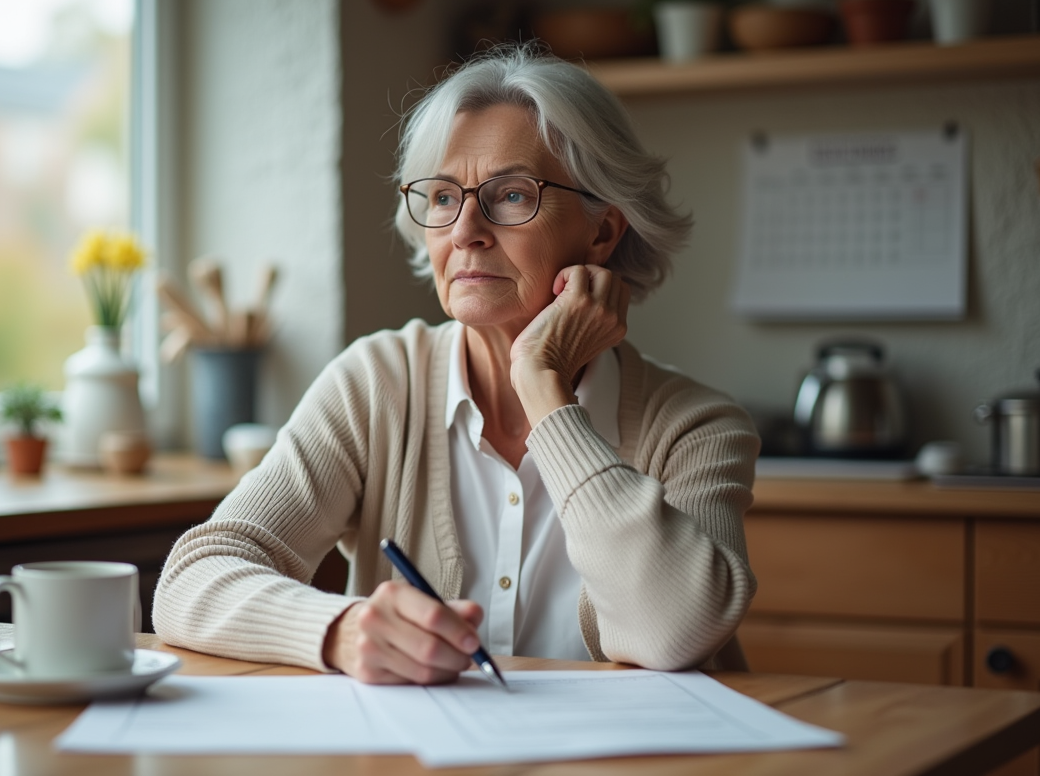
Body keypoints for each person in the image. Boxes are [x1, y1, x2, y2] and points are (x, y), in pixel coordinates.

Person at [153, 43, 759, 685]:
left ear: (603, 231)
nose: (465, 228)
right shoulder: (376, 383)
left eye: (511, 195)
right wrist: (340, 631)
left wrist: (542, 384)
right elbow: (192, 579)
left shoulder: (697, 425)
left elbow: (677, 631)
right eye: (443, 196)